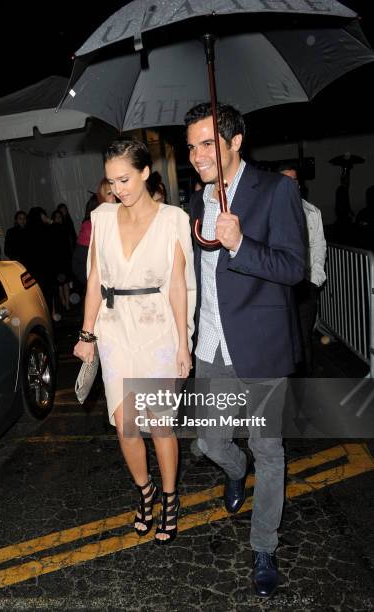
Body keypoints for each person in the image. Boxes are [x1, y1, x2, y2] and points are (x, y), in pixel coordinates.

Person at [185, 102, 305, 597]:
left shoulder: (276, 190)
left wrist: (241, 245)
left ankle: (264, 546)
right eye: (190, 146)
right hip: (210, 344)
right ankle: (235, 473)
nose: (196, 155)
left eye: (207, 143)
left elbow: (294, 267)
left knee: (267, 449)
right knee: (210, 441)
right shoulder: (197, 202)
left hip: (259, 347)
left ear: (236, 142)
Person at [73, 138, 196, 544]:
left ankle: (170, 496)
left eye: (124, 179)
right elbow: (94, 280)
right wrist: (87, 334)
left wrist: (184, 343)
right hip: (114, 328)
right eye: (111, 182)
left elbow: (178, 285)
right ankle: (145, 492)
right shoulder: (103, 217)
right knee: (126, 424)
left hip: (157, 326)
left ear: (145, 172)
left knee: (159, 424)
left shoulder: (173, 218)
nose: (117, 189)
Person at [279, 163, 327, 376]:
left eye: (294, 180)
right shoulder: (269, 212)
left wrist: (315, 279)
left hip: (305, 286)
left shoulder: (311, 212)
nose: (290, 184)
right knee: (282, 340)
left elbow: (319, 245)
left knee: (304, 339)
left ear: (298, 184)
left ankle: (305, 389)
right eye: (285, 180)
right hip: (278, 286)